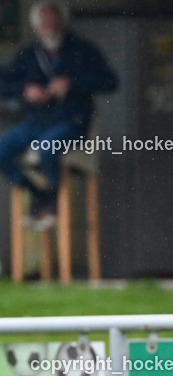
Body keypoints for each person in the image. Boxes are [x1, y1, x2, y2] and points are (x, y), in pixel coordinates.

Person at [0, 1, 117, 228]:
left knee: (47, 146)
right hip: (37, 121)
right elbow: (4, 83)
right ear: (36, 27)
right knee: (2, 149)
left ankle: (53, 198)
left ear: (63, 23)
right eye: (45, 23)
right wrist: (26, 90)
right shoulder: (28, 55)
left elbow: (110, 81)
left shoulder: (82, 50)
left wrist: (72, 84)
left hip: (72, 122)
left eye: (54, 21)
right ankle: (38, 193)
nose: (50, 27)